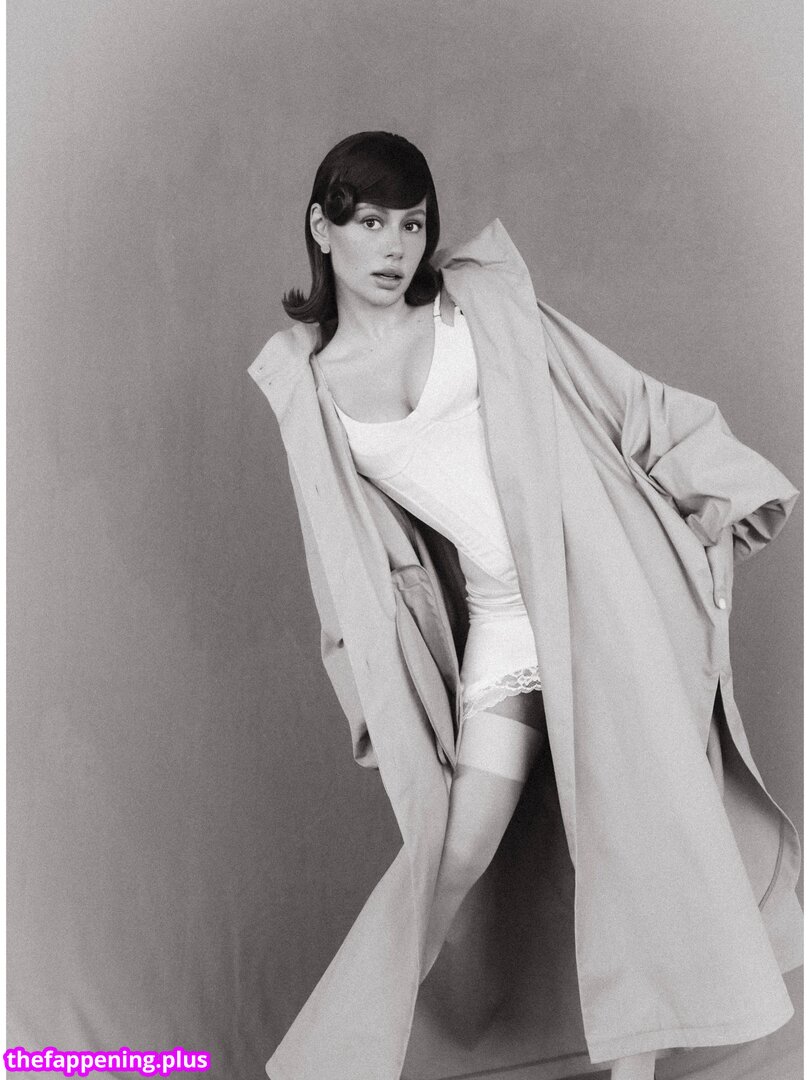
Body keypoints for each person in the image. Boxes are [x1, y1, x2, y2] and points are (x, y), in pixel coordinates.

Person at [248, 131, 801, 1080]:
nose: (395, 247)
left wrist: (722, 487)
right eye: (370, 222)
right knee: (455, 856)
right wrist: (367, 700)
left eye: (412, 224)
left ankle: (636, 1072)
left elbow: (620, 395)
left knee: (638, 842)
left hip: (604, 593)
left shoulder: (478, 306)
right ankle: (346, 1063)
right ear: (322, 228)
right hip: (505, 625)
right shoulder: (312, 388)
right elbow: (338, 571)